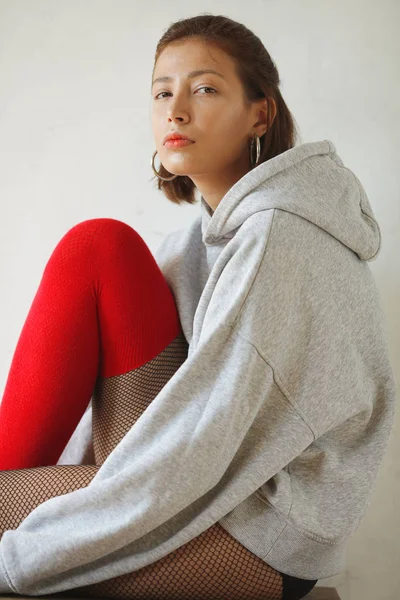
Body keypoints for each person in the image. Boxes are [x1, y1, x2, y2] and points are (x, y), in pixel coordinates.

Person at [0, 13, 396, 600]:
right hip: (205, 480)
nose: (175, 111)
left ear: (260, 113)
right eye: (163, 92)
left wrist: (22, 556)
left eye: (205, 88)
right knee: (100, 248)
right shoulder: (199, 240)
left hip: (261, 529)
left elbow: (199, 441)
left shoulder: (278, 241)